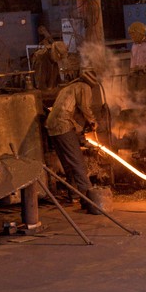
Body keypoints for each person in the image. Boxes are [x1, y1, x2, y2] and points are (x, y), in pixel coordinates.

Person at [45, 67, 99, 212]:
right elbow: (86, 108)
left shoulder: (68, 88)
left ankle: (74, 195)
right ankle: (89, 199)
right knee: (78, 162)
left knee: (68, 163)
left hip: (51, 126)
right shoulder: (84, 87)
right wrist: (93, 122)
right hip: (63, 124)